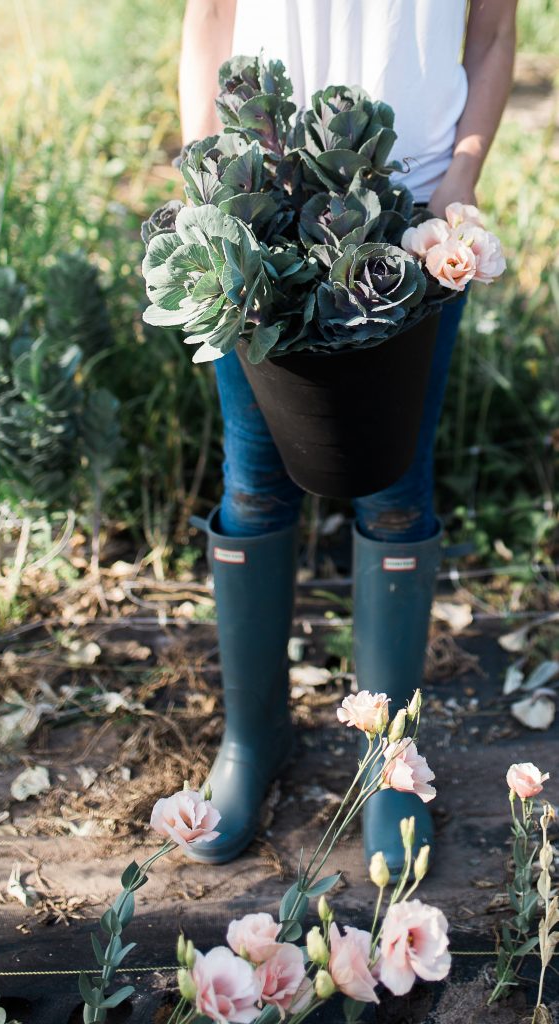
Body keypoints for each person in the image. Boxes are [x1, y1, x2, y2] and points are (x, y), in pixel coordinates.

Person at [178, 0, 517, 875]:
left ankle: (388, 762)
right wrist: (203, 183)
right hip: (255, 202)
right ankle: (253, 743)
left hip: (416, 210)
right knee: (252, 482)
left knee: (394, 488)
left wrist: (460, 184)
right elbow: (208, 17)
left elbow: (489, 34)